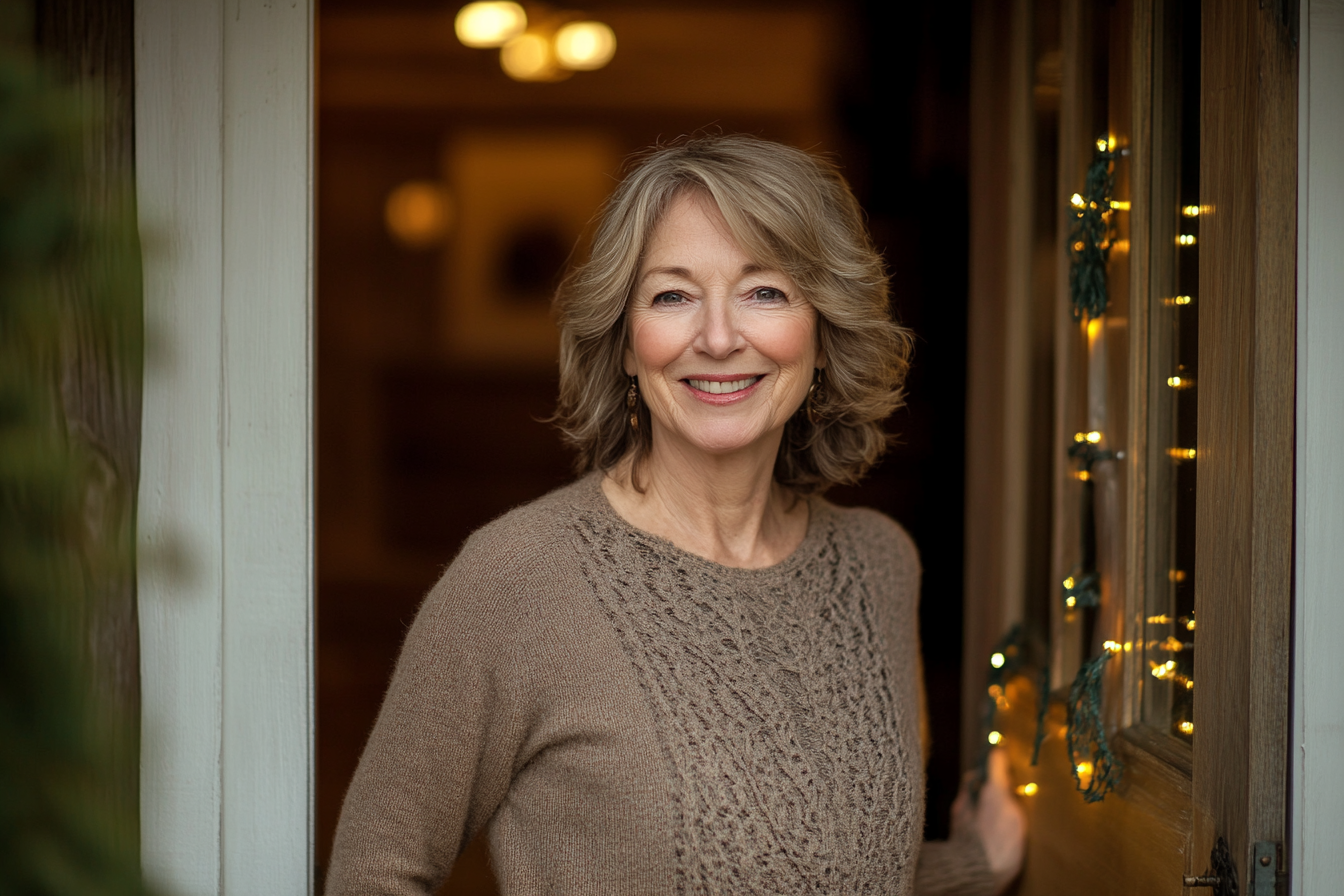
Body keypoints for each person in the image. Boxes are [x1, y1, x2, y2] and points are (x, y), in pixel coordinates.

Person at [326, 134, 1025, 895]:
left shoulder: (878, 564)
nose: (719, 337)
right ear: (628, 343)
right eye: (673, 295)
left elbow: (829, 865)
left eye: (765, 291)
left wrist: (970, 867)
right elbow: (376, 874)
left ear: (822, 333)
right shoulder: (516, 578)